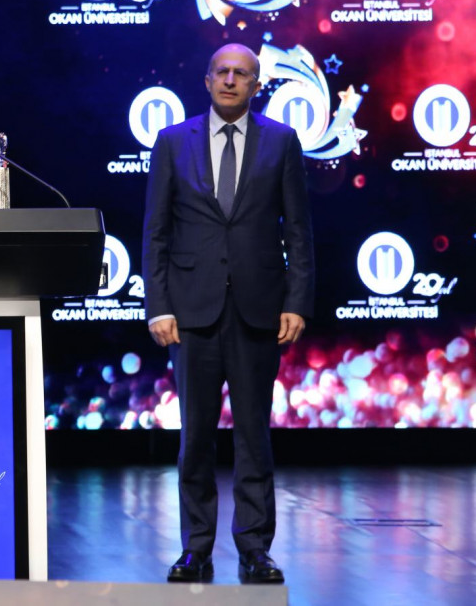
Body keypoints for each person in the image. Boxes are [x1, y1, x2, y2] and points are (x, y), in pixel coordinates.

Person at [141, 43, 314, 585]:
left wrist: (297, 301)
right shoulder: (173, 141)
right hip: (191, 312)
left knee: (253, 437)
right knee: (195, 438)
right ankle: (195, 549)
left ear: (256, 85)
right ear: (207, 80)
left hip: (259, 310)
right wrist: (158, 306)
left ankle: (255, 550)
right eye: (222, 72)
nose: (231, 80)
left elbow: (298, 231)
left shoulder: (282, 141)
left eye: (242, 74)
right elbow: (156, 232)